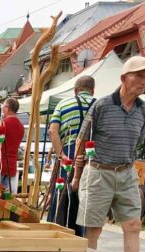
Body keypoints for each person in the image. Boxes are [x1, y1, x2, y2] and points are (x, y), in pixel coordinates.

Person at [72, 56, 145, 252]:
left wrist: (134, 175)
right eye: (139, 75)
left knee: (133, 225)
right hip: (99, 170)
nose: (144, 81)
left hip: (127, 171)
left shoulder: (144, 109)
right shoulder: (101, 106)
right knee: (94, 228)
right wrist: (77, 176)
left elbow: (137, 144)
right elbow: (81, 141)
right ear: (124, 78)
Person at [48, 75, 96, 240]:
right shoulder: (98, 105)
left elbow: (52, 131)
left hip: (68, 153)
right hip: (92, 156)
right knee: (85, 196)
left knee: (62, 193)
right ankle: (82, 234)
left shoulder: (63, 103)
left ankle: (57, 229)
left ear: (76, 91)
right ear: (92, 90)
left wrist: (61, 154)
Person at [0, 97, 24, 191]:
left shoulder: (0, 124)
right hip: (11, 167)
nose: (2, 109)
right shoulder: (21, 127)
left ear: (7, 108)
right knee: (8, 200)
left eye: (3, 106)